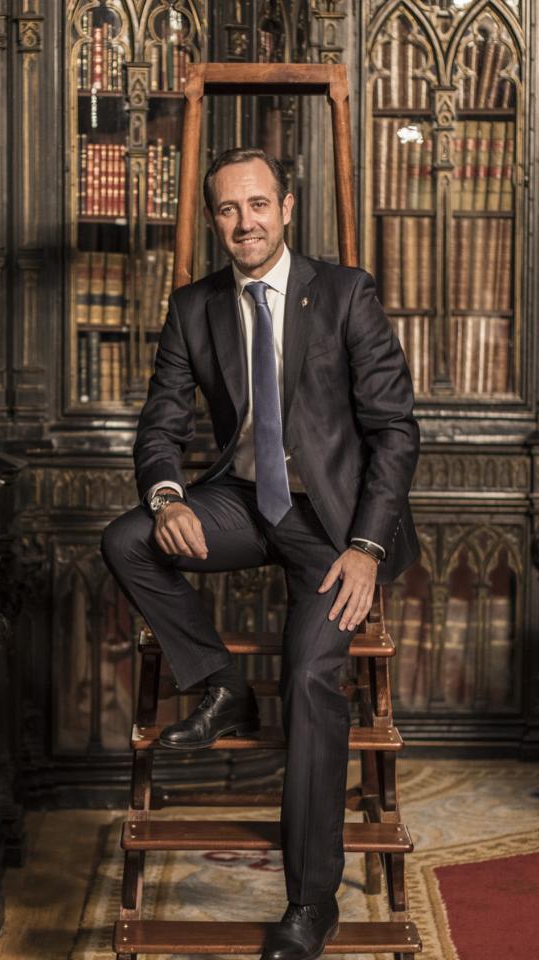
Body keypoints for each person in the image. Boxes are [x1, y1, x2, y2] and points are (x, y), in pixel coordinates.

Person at [99, 146, 420, 960]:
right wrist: (168, 495)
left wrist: (367, 547)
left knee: (313, 673)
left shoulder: (346, 292)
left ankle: (310, 904)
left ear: (286, 207)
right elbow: (159, 424)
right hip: (242, 504)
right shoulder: (193, 306)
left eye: (258, 205)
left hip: (333, 523)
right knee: (127, 537)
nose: (244, 222)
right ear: (214, 219)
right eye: (227, 210)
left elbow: (395, 432)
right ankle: (218, 684)